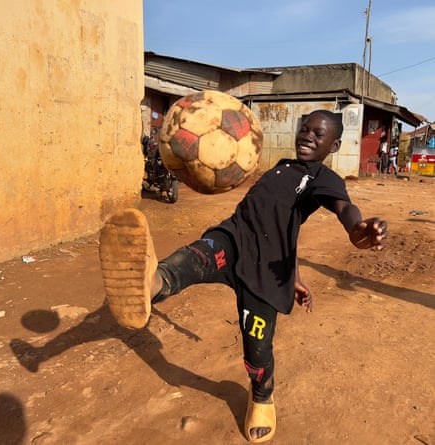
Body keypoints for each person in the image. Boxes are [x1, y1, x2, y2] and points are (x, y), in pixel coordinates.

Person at [99, 109, 388, 443]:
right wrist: (296, 274)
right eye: (304, 129)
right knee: (193, 257)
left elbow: (343, 208)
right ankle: (153, 282)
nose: (307, 136)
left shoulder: (323, 178)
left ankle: (262, 396)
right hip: (233, 239)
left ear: (334, 145)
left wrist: (356, 226)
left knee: (257, 349)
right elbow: (286, 229)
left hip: (265, 273)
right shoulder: (283, 166)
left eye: (318, 134)